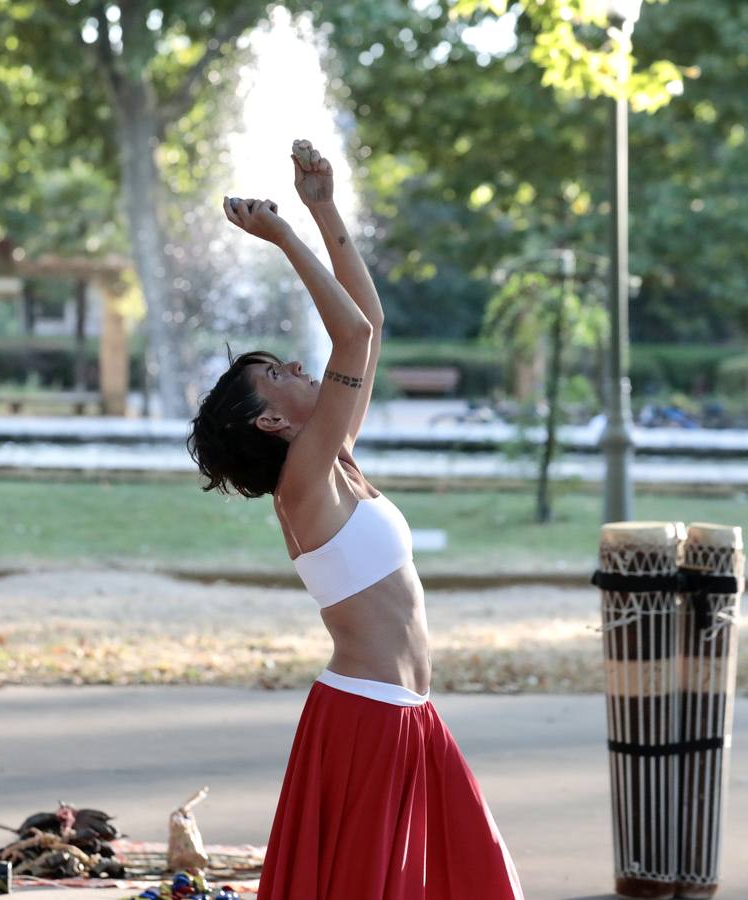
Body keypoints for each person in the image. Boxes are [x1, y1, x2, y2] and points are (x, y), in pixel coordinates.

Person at [187, 139, 524, 899]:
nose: (298, 369)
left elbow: (366, 320)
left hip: (409, 718)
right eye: (276, 375)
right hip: (367, 722)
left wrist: (321, 205)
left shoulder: (335, 459)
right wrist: (283, 239)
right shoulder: (303, 485)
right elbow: (354, 340)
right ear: (270, 423)